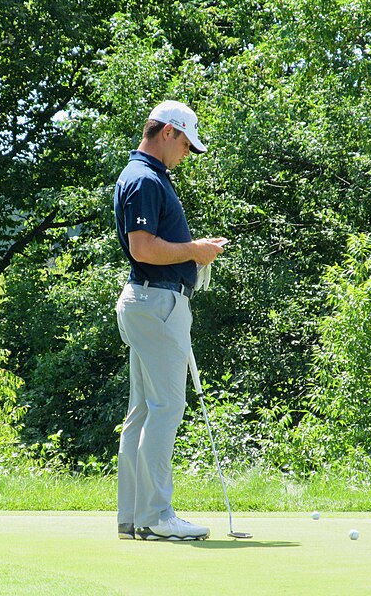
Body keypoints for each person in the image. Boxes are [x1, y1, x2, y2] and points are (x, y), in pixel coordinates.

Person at [113, 100, 226, 541]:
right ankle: (157, 516)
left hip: (149, 301)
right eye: (185, 146)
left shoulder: (146, 176)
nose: (185, 155)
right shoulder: (144, 179)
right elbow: (143, 248)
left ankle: (134, 517)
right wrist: (195, 250)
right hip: (157, 303)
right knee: (165, 409)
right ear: (168, 134)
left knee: (143, 411)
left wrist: (195, 249)